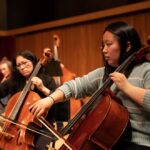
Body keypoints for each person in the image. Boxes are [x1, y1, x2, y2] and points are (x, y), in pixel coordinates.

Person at [30, 21, 150, 150]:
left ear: (127, 46)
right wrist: (50, 99)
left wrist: (127, 87)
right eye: (103, 45)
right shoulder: (103, 74)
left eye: (109, 44)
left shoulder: (146, 71)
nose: (104, 50)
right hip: (110, 143)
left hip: (140, 144)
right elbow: (75, 86)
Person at [0, 50, 66, 150]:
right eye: (18, 65)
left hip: (42, 128)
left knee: (40, 147)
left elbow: (61, 102)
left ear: (33, 62)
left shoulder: (47, 80)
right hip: (14, 129)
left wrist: (43, 88)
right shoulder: (14, 81)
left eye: (25, 63)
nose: (22, 67)